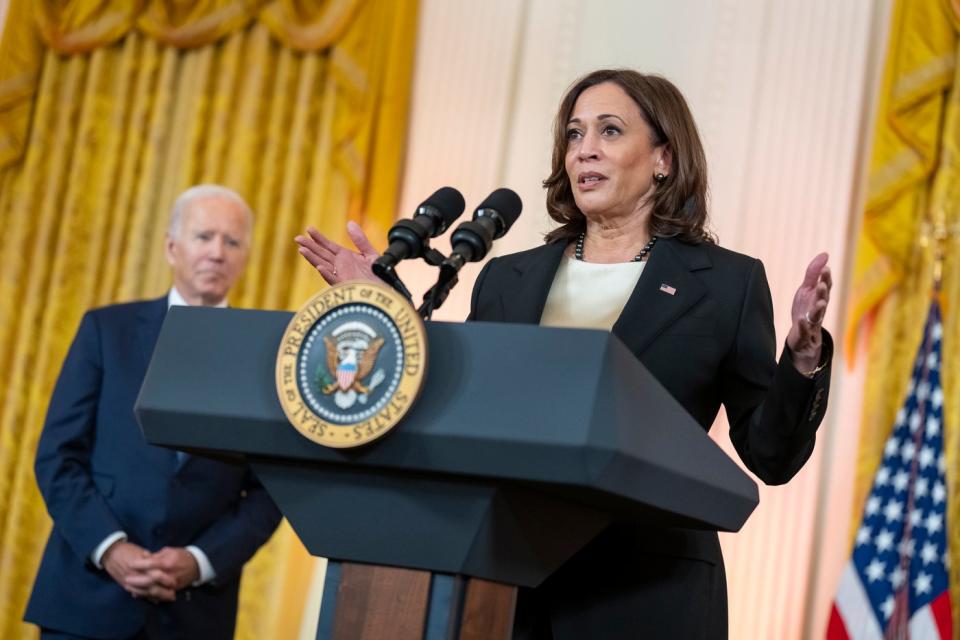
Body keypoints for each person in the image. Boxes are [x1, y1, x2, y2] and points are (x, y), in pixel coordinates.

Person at [295, 69, 833, 639]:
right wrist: (390, 309)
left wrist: (801, 357)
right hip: (508, 585)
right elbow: (464, 399)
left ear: (664, 160)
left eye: (609, 131)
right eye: (574, 135)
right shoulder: (507, 277)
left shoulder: (726, 283)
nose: (585, 151)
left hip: (648, 592)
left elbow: (771, 456)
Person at [25, 185, 282, 640]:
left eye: (232, 242)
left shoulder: (268, 359)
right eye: (204, 237)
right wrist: (111, 549)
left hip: (193, 614)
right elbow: (58, 457)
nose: (217, 253)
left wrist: (199, 561)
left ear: (245, 257)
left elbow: (269, 492)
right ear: (172, 247)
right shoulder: (107, 330)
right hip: (86, 598)